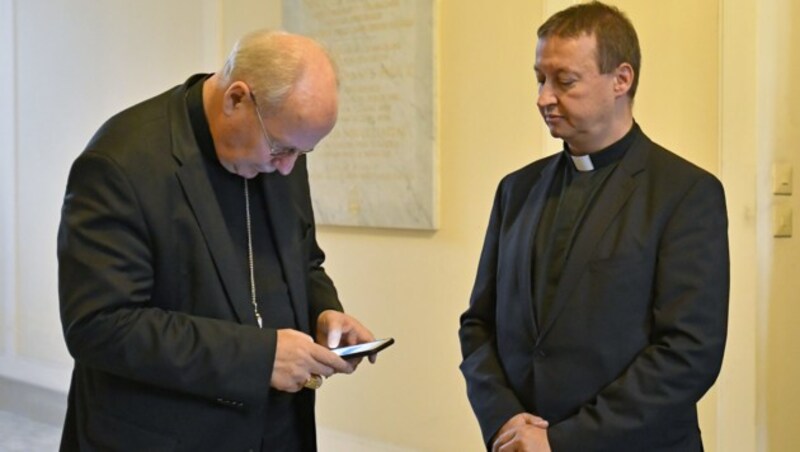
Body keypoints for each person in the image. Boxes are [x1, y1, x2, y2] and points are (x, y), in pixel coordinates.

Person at [57, 30, 377, 451]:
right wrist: (260, 358)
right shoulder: (120, 162)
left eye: (302, 154)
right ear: (236, 99)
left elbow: (304, 260)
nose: (287, 169)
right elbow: (99, 325)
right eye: (281, 149)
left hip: (279, 431)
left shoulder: (280, 142)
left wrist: (324, 311)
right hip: (165, 436)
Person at [458, 2, 729, 451]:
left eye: (564, 81)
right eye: (540, 79)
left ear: (621, 80)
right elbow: (478, 324)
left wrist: (563, 441)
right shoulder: (516, 190)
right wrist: (505, 420)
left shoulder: (685, 193)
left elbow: (688, 353)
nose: (544, 97)